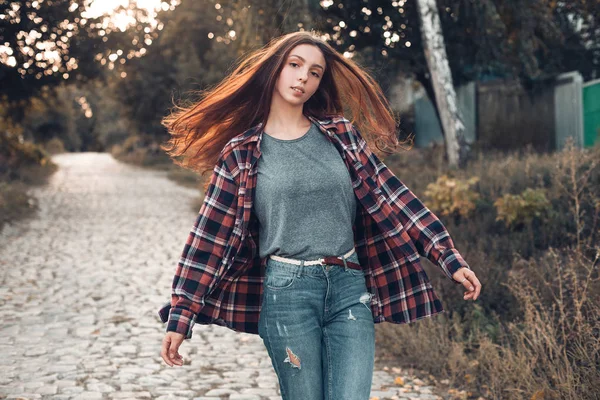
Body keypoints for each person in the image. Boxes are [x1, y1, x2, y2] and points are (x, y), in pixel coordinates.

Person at [158, 31, 481, 399]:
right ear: (275, 70)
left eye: (314, 72)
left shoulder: (340, 135)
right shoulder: (242, 152)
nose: (303, 78)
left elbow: (393, 197)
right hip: (286, 293)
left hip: (349, 287)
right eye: (294, 66)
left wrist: (447, 256)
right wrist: (181, 316)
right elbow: (209, 239)